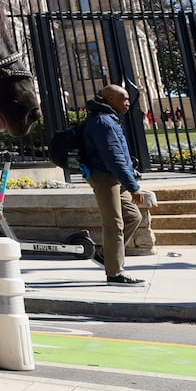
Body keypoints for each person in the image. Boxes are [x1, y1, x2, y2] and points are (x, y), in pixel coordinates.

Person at [81, 84, 154, 286]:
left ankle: (106, 256)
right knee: (114, 224)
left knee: (133, 216)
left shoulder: (108, 119)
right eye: (124, 98)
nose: (128, 102)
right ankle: (115, 274)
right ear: (110, 98)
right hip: (105, 178)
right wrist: (133, 186)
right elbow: (114, 158)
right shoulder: (103, 122)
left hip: (114, 177)